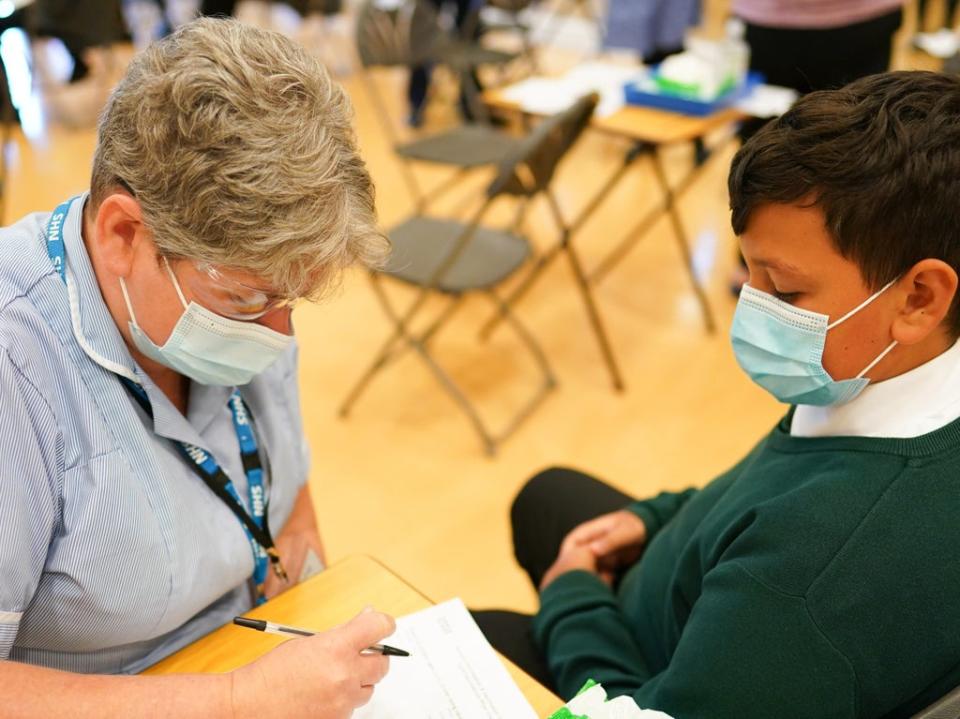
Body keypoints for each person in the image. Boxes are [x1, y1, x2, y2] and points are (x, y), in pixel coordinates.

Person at [476, 71, 960, 718]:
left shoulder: (809, 576)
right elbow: (773, 481)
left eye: (785, 291)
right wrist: (656, 519)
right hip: (714, 601)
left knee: (473, 637)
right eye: (745, 270)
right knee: (548, 495)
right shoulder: (884, 372)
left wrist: (572, 601)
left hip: (656, 673)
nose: (750, 308)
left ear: (920, 296)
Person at [0, 17, 396, 718]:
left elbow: (283, 504)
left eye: (293, 298)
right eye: (249, 299)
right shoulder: (17, 361)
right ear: (124, 234)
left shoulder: (236, 303)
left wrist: (314, 603)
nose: (279, 333)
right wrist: (241, 697)